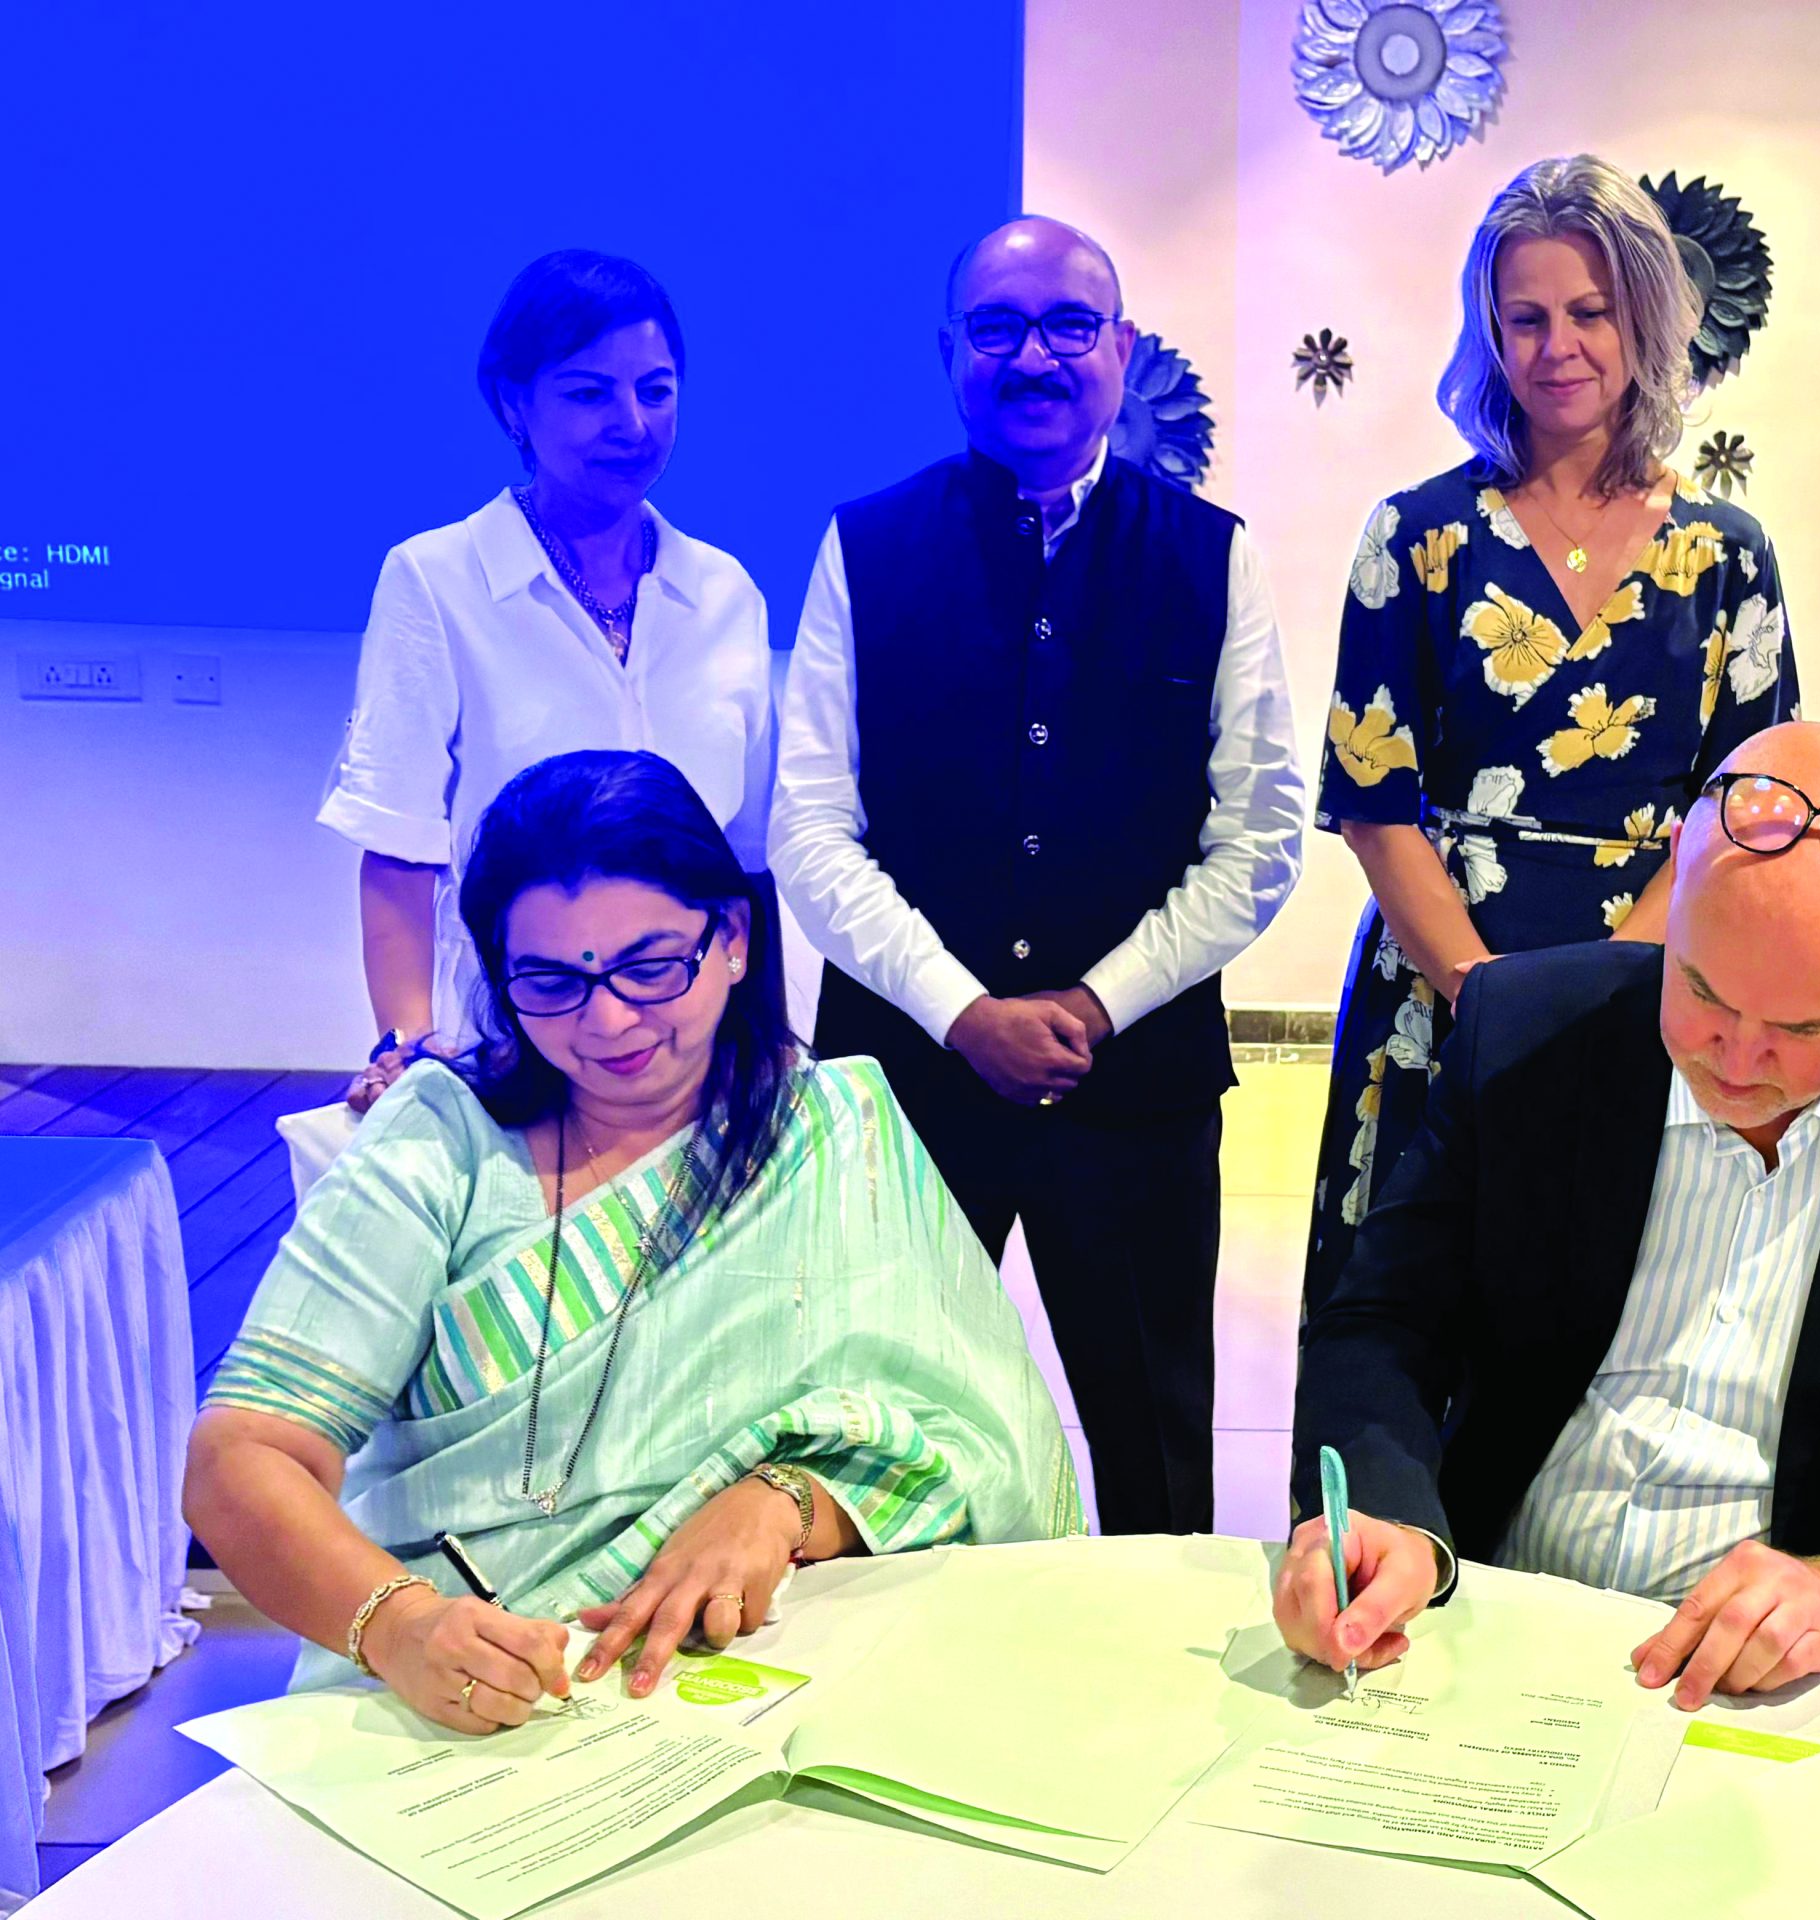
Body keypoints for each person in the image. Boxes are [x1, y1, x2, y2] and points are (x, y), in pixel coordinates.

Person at [188, 752, 1079, 1730]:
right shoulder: (438, 1141)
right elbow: (242, 1458)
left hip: (773, 1660)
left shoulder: (833, 1129)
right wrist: (402, 1625)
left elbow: (980, 1441)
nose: (608, 1020)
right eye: (550, 982)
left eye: (651, 968)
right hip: (473, 1692)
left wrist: (785, 1502)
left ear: (731, 938)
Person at [1276, 723, 1820, 1731]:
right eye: (1700, 991)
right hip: (1493, 1626)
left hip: (1799, 1694)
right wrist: (1387, 1513)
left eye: (1801, 1028)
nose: (1734, 1058)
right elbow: (1383, 1321)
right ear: (1675, 884)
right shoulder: (1529, 1029)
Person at [771, 217, 1303, 1537]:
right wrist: (962, 1012)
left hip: (1137, 1087)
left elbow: (1260, 838)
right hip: (904, 1081)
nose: (1034, 356)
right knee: (872, 1428)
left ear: (1121, 349)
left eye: (1070, 325)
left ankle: (1156, 1663)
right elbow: (813, 829)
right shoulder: (865, 546)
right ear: (949, 353)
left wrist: (1096, 1003)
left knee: (1154, 1451)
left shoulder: (1210, 554)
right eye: (997, 327)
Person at [1303, 154, 1800, 1316]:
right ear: (1488, 331)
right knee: (1408, 1330)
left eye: (1590, 312)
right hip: (1437, 992)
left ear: (1646, 321)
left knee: (1605, 1323)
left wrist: (1611, 998)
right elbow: (1373, 802)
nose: (1556, 347)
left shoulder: (1727, 555)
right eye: (1524, 318)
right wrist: (1482, 999)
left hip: (1649, 1001)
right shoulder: (1413, 535)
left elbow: (1742, 810)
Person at [323, 250, 777, 1111]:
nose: (632, 423)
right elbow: (397, 842)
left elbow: (746, 864)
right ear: (512, 403)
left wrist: (765, 1044)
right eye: (589, 393)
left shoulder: (725, 592)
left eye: (656, 390)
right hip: (518, 1044)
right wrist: (405, 1048)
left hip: (694, 1051)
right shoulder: (437, 580)